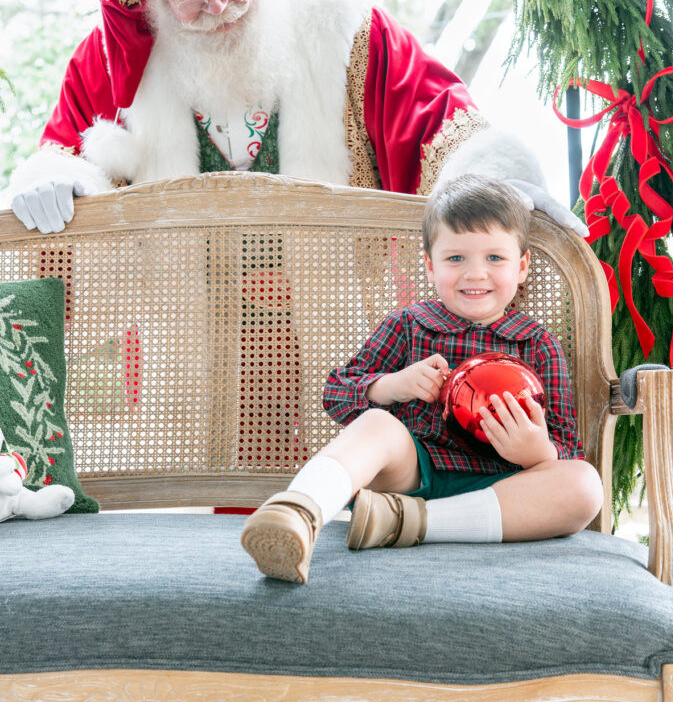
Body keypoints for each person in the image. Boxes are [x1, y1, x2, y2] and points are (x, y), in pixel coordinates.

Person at [5, 0, 585, 235]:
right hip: (182, 332)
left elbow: (438, 120)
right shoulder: (111, 61)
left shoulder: (340, 22)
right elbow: (63, 154)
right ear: (153, 1)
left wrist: (491, 179)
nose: (216, 3)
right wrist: (51, 179)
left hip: (336, 314)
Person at [240, 175, 603, 583]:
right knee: (377, 425)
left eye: (495, 259)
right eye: (456, 259)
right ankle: (297, 511)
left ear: (521, 268)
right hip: (415, 474)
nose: (475, 274)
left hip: (506, 491)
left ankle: (409, 523)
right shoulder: (410, 326)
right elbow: (336, 393)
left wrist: (538, 453)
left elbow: (568, 445)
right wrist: (391, 386)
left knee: (584, 485)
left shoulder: (537, 345)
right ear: (430, 265)